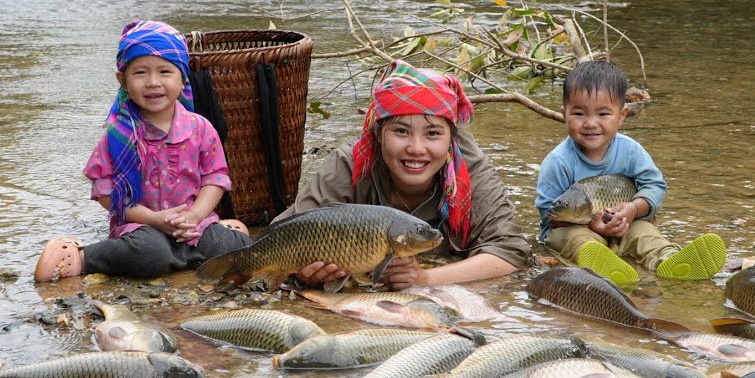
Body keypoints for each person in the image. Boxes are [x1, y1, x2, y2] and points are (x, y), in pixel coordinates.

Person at [280, 60, 529, 290]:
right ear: (379, 135)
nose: (416, 149)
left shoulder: (471, 168)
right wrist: (302, 271)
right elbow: (284, 236)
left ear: (452, 138)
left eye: (433, 134)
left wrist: (426, 279)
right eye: (401, 131)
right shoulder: (350, 162)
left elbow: (510, 251)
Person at [34, 20, 251, 281]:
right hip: (143, 227)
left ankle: (222, 232)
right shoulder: (117, 135)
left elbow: (215, 179)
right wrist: (153, 219)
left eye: (164, 72)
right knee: (150, 254)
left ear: (183, 78)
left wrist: (196, 215)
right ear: (122, 80)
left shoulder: (201, 129)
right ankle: (81, 257)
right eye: (140, 73)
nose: (152, 82)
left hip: (192, 225)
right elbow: (106, 193)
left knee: (227, 247)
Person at [534, 58, 726, 286]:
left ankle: (668, 261)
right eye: (578, 114)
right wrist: (590, 225)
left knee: (646, 234)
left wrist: (634, 209)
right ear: (564, 113)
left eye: (603, 114)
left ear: (622, 115)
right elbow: (549, 214)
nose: (590, 123)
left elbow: (654, 186)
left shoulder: (632, 151)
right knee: (576, 240)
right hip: (572, 229)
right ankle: (597, 266)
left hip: (627, 224)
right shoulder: (558, 161)